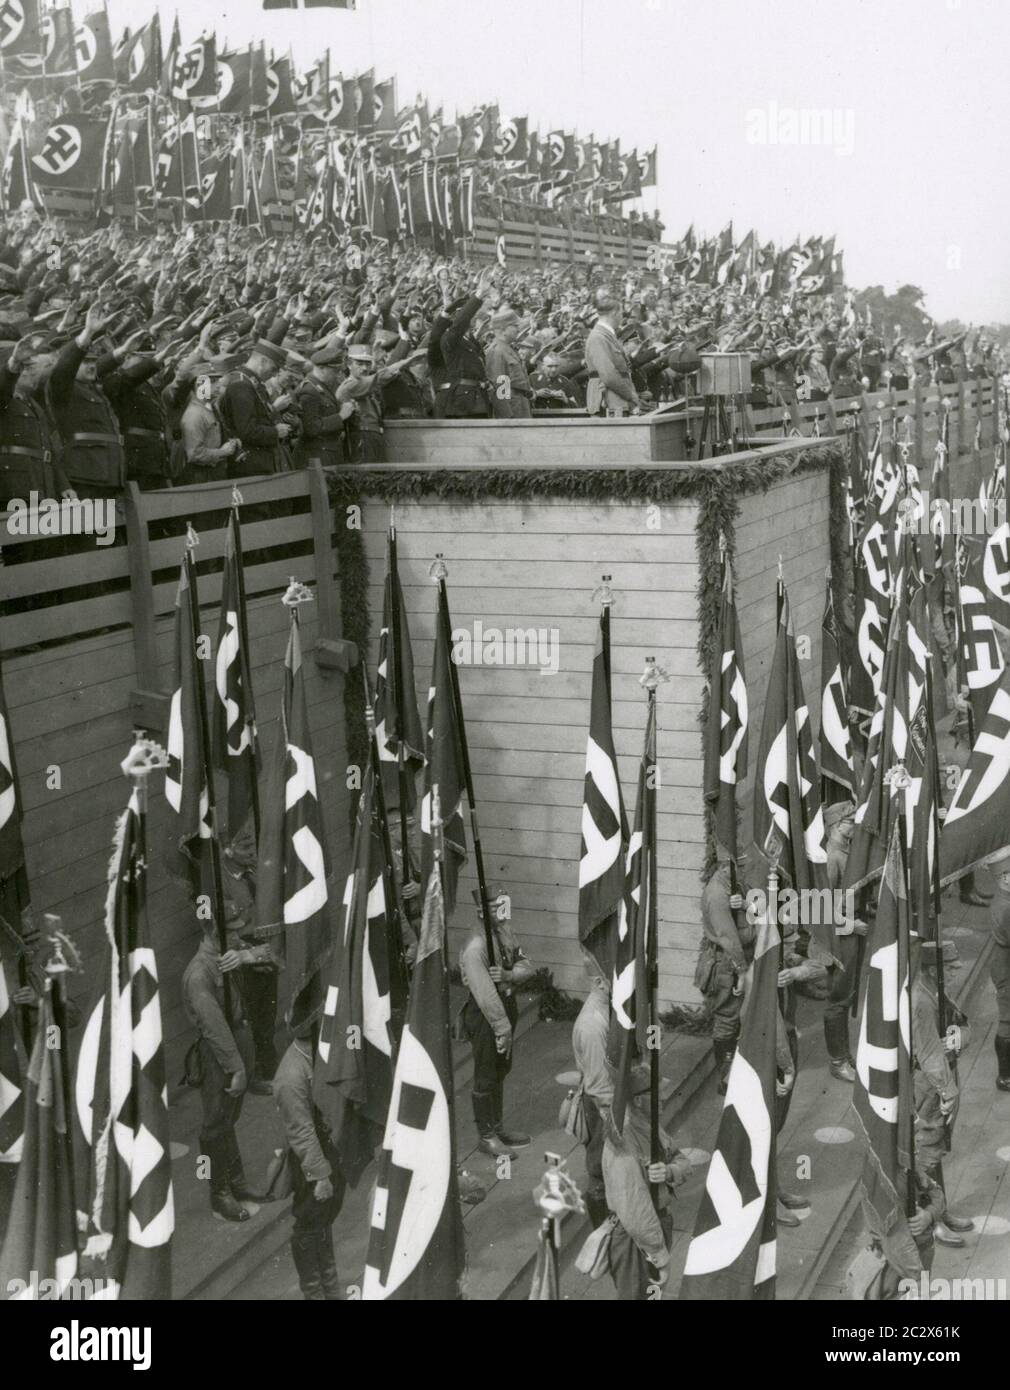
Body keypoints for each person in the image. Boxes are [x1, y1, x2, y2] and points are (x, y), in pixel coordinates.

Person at [181, 920, 258, 1223]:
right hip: (219, 1055)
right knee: (214, 1122)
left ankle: (237, 1183)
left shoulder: (224, 958)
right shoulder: (199, 974)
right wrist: (236, 1068)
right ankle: (220, 1192)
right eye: (232, 930)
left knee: (228, 1117)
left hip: (236, 1042)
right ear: (213, 933)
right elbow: (214, 1027)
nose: (238, 934)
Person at [601, 1059, 691, 1300]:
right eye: (656, 1095)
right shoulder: (623, 1142)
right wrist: (658, 1253)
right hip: (637, 1239)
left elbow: (681, 1159)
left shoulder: (651, 1127)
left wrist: (669, 1171)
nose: (663, 1099)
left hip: (657, 1226)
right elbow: (635, 1207)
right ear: (639, 1100)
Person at [459, 886, 535, 1159]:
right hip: (486, 1016)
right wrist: (502, 1028)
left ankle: (497, 1127)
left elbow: (527, 965)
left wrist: (508, 975)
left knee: (501, 1069)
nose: (501, 909)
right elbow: (485, 994)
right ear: (481, 910)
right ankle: (487, 1136)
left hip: (506, 1006)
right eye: (494, 906)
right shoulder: (476, 946)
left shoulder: (504, 931)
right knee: (486, 1073)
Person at [273, 1023, 346, 1300]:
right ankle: (315, 1294)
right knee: (309, 1225)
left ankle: (330, 1290)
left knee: (322, 1223)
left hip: (324, 1151)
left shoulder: (311, 1058)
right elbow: (301, 1131)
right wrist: (320, 1175)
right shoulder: (292, 1074)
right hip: (310, 1164)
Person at [911, 939, 974, 1249]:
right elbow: (928, 1055)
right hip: (929, 1086)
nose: (958, 969)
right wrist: (948, 1092)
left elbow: (963, 1023)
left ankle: (941, 1210)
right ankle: (931, 1218)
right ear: (932, 968)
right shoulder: (921, 1001)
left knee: (936, 1150)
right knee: (927, 1151)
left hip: (940, 1079)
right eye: (950, 966)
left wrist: (957, 1037)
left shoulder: (933, 991)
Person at [44, 305, 127, 500]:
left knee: (110, 528)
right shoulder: (63, 386)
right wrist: (88, 332)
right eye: (85, 362)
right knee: (88, 528)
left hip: (108, 471)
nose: (91, 366)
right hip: (85, 472)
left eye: (93, 361)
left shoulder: (92, 388)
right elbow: (64, 369)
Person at [694, 852, 752, 1093]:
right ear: (728, 865)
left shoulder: (731, 886)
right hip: (727, 963)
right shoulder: (718, 893)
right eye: (740, 863)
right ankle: (726, 1079)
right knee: (727, 1019)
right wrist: (742, 971)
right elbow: (729, 939)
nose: (744, 867)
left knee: (735, 1017)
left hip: (731, 961)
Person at [571, 947, 612, 1228]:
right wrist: (617, 1124)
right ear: (599, 981)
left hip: (608, 1098)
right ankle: (602, 1232)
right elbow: (599, 1087)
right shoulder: (593, 1024)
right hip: (600, 1106)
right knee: (599, 1169)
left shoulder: (609, 1008)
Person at [822, 800, 863, 1082]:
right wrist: (851, 925)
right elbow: (820, 908)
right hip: (841, 935)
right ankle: (837, 1061)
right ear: (837, 825)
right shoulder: (831, 855)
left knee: (846, 995)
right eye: (850, 820)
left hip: (851, 930)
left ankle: (844, 1054)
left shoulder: (845, 849)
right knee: (838, 998)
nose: (853, 824)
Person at [220, 340, 292, 476]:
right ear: (263, 361)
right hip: (250, 464)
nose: (275, 374)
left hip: (259, 460)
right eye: (274, 369)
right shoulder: (241, 384)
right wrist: (275, 432)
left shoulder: (251, 382)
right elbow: (247, 430)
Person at [179, 363, 240, 485]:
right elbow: (194, 454)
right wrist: (223, 452)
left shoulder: (209, 408)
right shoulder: (195, 414)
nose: (218, 385)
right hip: (202, 477)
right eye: (212, 382)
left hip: (213, 474)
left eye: (217, 380)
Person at [584, 291, 641, 416]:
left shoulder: (608, 335)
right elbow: (608, 375)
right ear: (614, 313)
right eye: (621, 313)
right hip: (608, 403)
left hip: (617, 402)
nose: (622, 316)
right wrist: (630, 395)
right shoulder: (598, 337)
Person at [485, 307, 533, 419]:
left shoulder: (508, 349)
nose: (518, 329)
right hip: (512, 411)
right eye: (515, 326)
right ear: (503, 330)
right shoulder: (497, 351)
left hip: (520, 405)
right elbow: (500, 389)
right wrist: (507, 418)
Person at [990, 848, 1010, 1091]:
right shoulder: (1004, 906)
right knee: (1007, 1020)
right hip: (1005, 966)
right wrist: (848, 928)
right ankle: (1004, 1075)